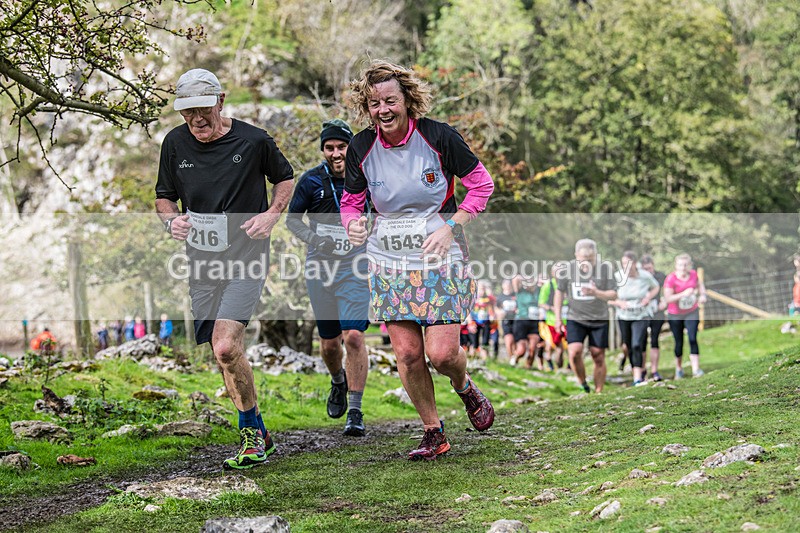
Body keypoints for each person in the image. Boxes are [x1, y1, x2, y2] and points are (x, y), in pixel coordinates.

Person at [341, 59, 495, 460]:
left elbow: (481, 185)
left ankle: (464, 387)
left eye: (390, 101)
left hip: (439, 255)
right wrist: (353, 224)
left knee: (442, 355)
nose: (383, 110)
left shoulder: (438, 136)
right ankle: (433, 432)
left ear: (407, 100)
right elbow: (352, 202)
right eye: (375, 104)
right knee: (408, 354)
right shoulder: (360, 147)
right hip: (388, 260)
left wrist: (452, 226)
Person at [155, 68, 294, 469]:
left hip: (247, 255)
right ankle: (260, 430)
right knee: (224, 356)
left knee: (226, 346)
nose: (197, 119)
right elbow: (164, 197)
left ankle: (249, 436)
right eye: (188, 111)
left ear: (220, 101)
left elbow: (284, 179)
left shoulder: (253, 140)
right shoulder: (174, 143)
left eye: (204, 109)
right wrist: (171, 221)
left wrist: (271, 215)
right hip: (201, 263)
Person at [285, 119, 370, 437]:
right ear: (323, 149)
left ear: (351, 148)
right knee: (330, 344)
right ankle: (337, 381)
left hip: (355, 266)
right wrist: (316, 240)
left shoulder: (366, 178)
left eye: (342, 146)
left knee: (355, 337)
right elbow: (292, 221)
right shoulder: (311, 181)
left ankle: (356, 411)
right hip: (320, 267)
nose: (336, 153)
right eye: (330, 147)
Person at [554, 239, 617, 393]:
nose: (587, 263)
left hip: (599, 318)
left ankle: (599, 391)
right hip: (576, 317)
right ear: (576, 255)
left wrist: (596, 292)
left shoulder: (605, 269)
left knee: (598, 355)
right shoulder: (567, 269)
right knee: (575, 352)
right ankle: (583, 384)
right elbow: (559, 293)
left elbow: (614, 294)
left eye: (590, 260)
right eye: (583, 260)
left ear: (596, 256)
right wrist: (557, 318)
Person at [609, 252, 660, 386]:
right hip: (624, 316)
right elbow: (608, 297)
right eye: (623, 263)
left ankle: (637, 378)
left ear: (635, 263)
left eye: (628, 263)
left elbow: (656, 287)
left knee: (637, 343)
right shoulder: (617, 277)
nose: (625, 266)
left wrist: (648, 297)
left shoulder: (645, 276)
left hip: (641, 315)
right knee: (628, 345)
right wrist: (619, 303)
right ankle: (637, 372)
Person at [663, 253, 707, 378]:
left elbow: (700, 286)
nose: (683, 267)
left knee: (692, 338)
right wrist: (683, 294)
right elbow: (668, 298)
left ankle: (696, 369)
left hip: (691, 311)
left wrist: (702, 295)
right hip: (675, 314)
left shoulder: (693, 274)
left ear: (689, 265)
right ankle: (679, 369)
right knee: (679, 342)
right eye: (680, 265)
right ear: (676, 266)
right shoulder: (671, 279)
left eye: (685, 265)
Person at [640, 254, 666, 380]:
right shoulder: (639, 278)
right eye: (645, 269)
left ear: (653, 266)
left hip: (657, 312)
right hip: (642, 313)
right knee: (642, 341)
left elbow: (668, 289)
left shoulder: (660, 276)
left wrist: (664, 302)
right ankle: (642, 370)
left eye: (649, 268)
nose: (647, 271)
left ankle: (655, 371)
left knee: (654, 339)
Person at [538, 264, 567, 369]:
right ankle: (554, 366)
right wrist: (552, 308)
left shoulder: (569, 284)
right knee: (556, 347)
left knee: (570, 346)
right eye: (557, 271)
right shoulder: (548, 286)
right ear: (552, 273)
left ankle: (566, 367)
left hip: (568, 320)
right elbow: (541, 303)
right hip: (552, 321)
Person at [510, 276, 542, 368]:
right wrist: (525, 277)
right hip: (521, 321)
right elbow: (515, 279)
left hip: (534, 322)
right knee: (522, 350)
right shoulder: (520, 291)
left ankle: (528, 367)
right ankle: (515, 358)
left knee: (533, 347)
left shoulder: (538, 290)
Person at [494, 279, 517, 362]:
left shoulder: (515, 295)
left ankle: (515, 358)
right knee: (509, 339)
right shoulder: (500, 297)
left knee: (515, 340)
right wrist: (499, 313)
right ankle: (511, 358)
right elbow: (496, 308)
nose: (507, 286)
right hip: (506, 321)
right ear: (503, 286)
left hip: (516, 320)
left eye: (509, 284)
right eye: (506, 284)